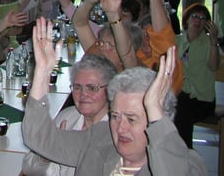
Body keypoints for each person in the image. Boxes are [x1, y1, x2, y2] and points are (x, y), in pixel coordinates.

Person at [22, 19, 205, 175]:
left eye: (131, 119)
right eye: (116, 116)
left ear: (157, 123)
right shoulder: (101, 138)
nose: (120, 128)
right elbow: (38, 139)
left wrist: (155, 109)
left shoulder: (186, 162)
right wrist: (42, 73)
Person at [21, 54, 118, 176]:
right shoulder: (67, 116)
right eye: (77, 87)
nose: (83, 94)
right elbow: (28, 169)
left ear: (110, 90)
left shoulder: (115, 132)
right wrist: (46, 156)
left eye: (92, 88)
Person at [174, 3, 220, 148]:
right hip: (180, 95)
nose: (198, 21)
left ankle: (184, 152)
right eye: (195, 16)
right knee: (179, 107)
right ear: (187, 20)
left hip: (202, 99)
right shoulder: (176, 40)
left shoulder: (208, 43)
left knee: (180, 112)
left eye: (202, 18)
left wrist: (214, 43)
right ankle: (185, 153)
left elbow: (214, 66)